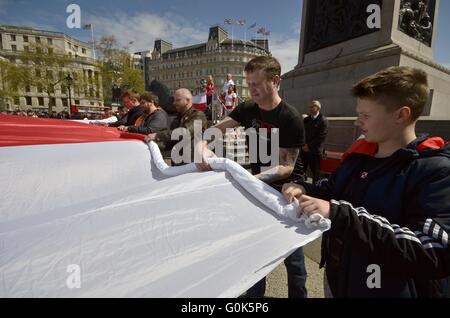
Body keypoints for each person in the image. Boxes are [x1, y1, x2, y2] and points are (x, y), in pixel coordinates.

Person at [282, 66, 450, 298]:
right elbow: (331, 190)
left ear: (401, 115)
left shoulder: (434, 171)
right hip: (339, 278)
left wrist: (339, 214)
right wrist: (303, 188)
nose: (357, 122)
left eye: (365, 115)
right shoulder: (359, 158)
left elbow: (434, 251)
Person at [198, 56, 308, 298]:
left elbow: (286, 167)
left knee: (294, 259)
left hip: (287, 191)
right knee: (255, 251)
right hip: (258, 186)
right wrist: (204, 144)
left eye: (256, 83)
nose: (252, 89)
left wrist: (248, 180)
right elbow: (217, 128)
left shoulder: (290, 117)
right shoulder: (248, 108)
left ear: (275, 81)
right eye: (249, 84)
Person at [145, 88, 207, 165]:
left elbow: (185, 132)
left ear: (187, 101)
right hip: (178, 164)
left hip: (193, 165)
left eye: (178, 100)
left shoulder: (199, 115)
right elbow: (170, 142)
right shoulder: (177, 119)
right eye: (174, 100)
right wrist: (149, 146)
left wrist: (158, 135)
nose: (174, 103)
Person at [301, 100, 328, 184]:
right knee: (301, 170)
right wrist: (303, 145)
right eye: (310, 107)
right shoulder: (306, 119)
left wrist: (308, 146)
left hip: (315, 151)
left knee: (315, 172)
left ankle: (314, 189)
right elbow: (302, 132)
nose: (310, 108)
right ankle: (300, 185)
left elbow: (321, 137)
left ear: (318, 108)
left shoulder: (323, 120)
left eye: (313, 107)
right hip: (304, 150)